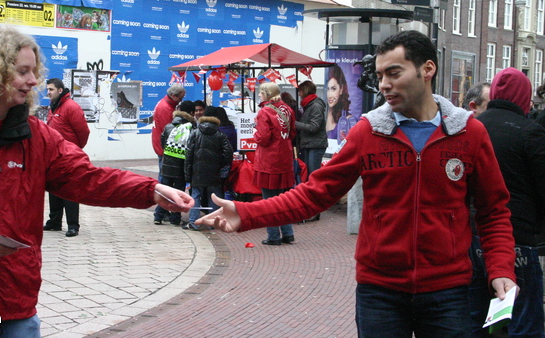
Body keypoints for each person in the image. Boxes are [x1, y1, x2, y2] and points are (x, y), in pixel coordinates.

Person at [198, 30, 517, 337]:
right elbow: (313, 195)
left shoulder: (469, 134)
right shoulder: (368, 133)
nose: (384, 85)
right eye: (380, 76)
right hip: (380, 293)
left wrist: (501, 269)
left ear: (427, 69)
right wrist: (247, 213)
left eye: (394, 73)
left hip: (449, 291)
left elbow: (494, 212)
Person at [0, 26, 193, 338]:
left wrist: (148, 189)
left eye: (34, 71)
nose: (33, 81)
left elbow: (85, 178)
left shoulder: (36, 136)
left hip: (14, 304)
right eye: (22, 71)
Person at [470, 68, 545, 338]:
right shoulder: (531, 132)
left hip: (475, 238)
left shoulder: (473, 128)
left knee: (474, 321)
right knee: (525, 323)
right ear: (524, 98)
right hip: (517, 239)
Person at [42, 77, 90, 237]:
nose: (48, 92)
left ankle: (73, 225)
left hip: (69, 157)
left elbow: (84, 132)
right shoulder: (53, 107)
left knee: (70, 190)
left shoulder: (71, 107)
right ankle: (54, 222)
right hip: (53, 157)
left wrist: (74, 149)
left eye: (51, 90)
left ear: (60, 90)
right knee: (54, 190)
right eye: (47, 89)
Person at [253, 82, 296, 246]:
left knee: (269, 200)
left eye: (260, 93)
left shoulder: (265, 111)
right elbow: (292, 132)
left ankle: (273, 236)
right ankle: (288, 233)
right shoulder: (287, 109)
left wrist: (254, 134)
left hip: (269, 161)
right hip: (285, 159)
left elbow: (263, 138)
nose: (259, 95)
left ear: (266, 94)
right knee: (284, 198)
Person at [184, 106, 233, 230]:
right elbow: (228, 152)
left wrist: (187, 173)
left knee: (196, 195)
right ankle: (213, 222)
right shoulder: (220, 134)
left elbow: (188, 154)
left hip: (197, 171)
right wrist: (220, 163)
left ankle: (193, 222)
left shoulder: (195, 132)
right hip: (214, 171)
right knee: (214, 196)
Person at [155, 100, 196, 226]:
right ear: (191, 112)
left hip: (167, 165)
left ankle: (158, 216)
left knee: (164, 191)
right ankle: (175, 219)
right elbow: (191, 149)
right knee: (179, 193)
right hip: (181, 167)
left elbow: (163, 144)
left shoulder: (169, 126)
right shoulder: (192, 128)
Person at [296, 80, 328, 222]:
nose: (299, 94)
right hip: (310, 144)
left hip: (315, 144)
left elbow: (314, 126)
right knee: (309, 176)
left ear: (305, 91)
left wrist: (295, 124)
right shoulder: (309, 105)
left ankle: (315, 209)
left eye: (300, 91)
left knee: (313, 178)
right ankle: (313, 208)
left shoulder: (315, 105)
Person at [152, 84, 186, 166]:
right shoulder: (166, 108)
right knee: (165, 172)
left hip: (160, 142)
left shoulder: (165, 103)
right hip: (163, 145)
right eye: (180, 98)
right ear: (173, 95)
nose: (181, 101)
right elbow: (169, 131)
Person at [325, 64, 352, 139]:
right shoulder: (324, 114)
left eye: (333, 89)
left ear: (341, 89)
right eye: (328, 89)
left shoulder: (347, 119)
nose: (330, 95)